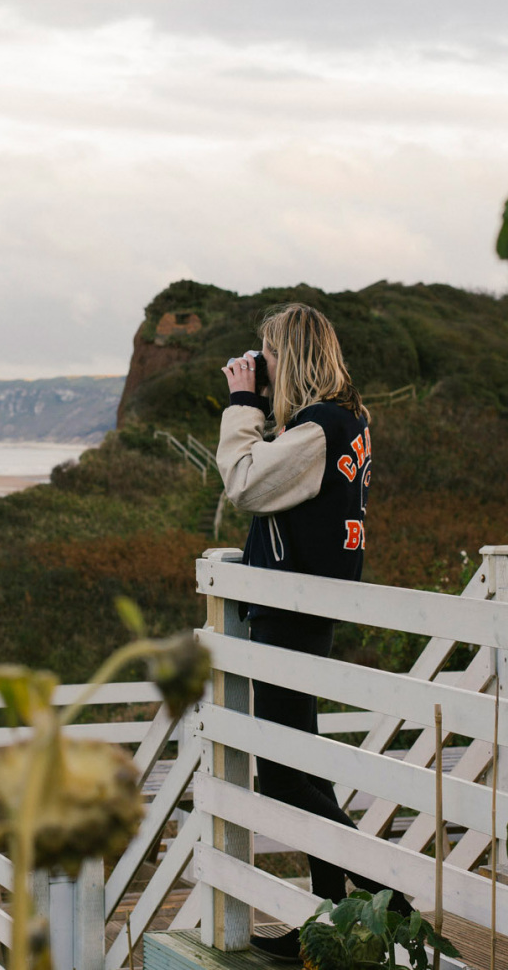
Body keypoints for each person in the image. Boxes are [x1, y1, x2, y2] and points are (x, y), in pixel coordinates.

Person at [217, 303, 411, 963]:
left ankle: (398, 902)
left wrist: (242, 403)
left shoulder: (317, 430)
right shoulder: (346, 421)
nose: (260, 364)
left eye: (268, 353)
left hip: (289, 617)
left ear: (291, 356)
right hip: (307, 614)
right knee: (309, 771)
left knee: (281, 775)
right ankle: (329, 931)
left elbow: (243, 482)